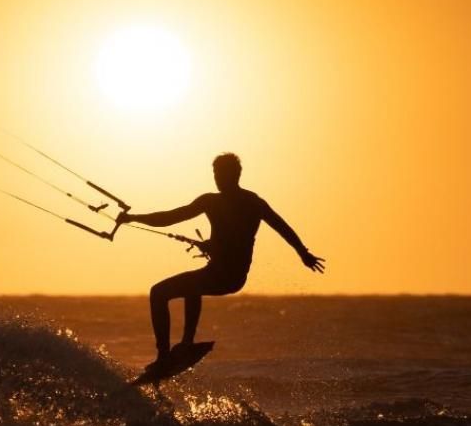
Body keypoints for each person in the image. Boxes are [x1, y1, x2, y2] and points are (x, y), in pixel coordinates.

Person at [117, 152, 325, 367]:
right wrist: (302, 253)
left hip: (225, 276)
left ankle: (163, 356)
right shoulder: (235, 202)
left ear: (235, 175)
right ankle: (186, 342)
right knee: (192, 285)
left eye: (220, 173)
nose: (217, 178)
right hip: (229, 276)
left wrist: (303, 252)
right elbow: (173, 217)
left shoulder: (240, 203)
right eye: (215, 173)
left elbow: (281, 227)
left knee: (158, 292)